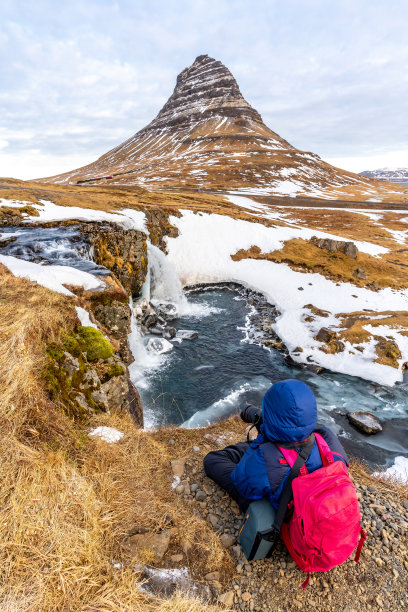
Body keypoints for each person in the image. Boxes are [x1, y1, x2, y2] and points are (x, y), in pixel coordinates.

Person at [203, 379, 348, 512]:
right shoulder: (328, 437)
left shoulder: (266, 458)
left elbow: (242, 484)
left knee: (213, 460)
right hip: (328, 506)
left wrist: (264, 436)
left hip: (291, 512)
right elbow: (307, 433)